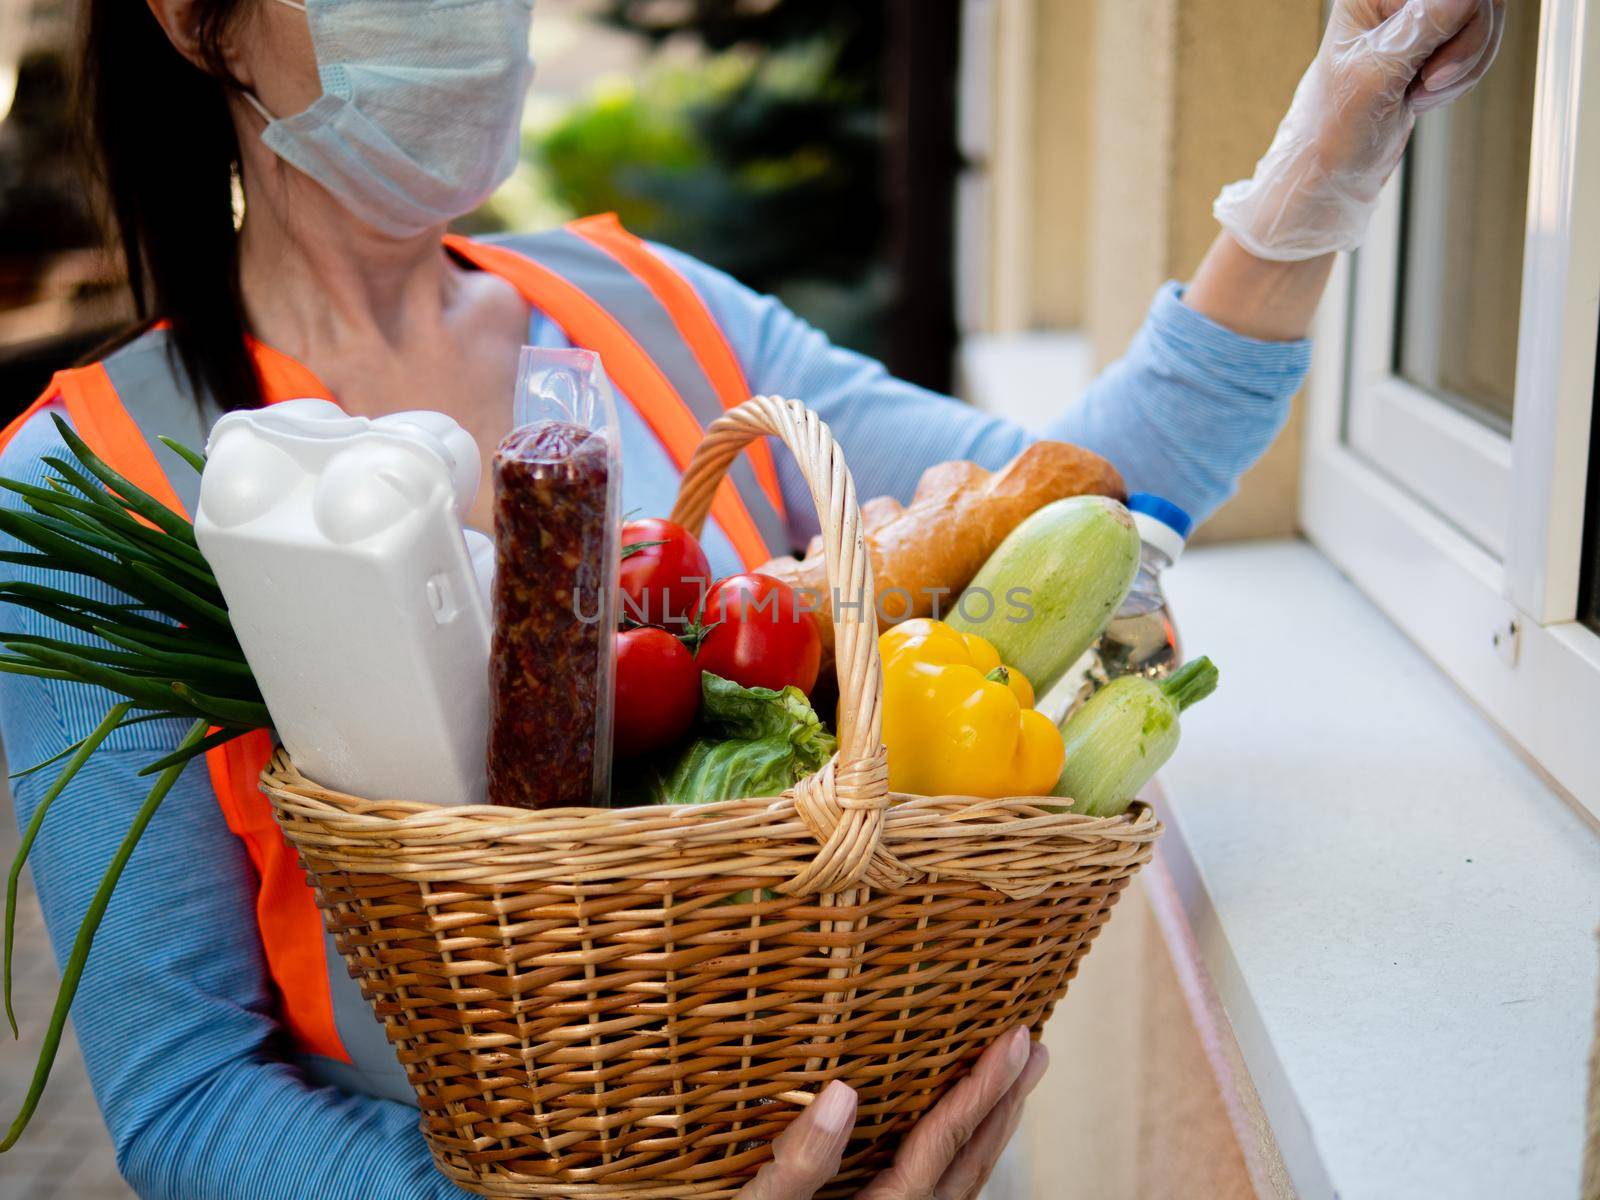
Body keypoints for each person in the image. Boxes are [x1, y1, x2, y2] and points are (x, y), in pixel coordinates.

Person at [0, 0, 1502, 1196]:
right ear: (197, 20)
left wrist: (1326, 154)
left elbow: (1079, 506)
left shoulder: (656, 312)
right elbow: (187, 1097)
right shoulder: (91, 483)